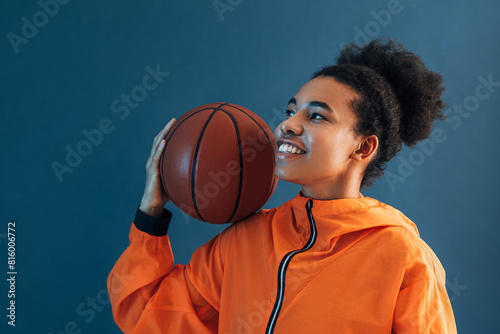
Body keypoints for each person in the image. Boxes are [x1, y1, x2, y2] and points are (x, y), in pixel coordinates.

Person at [107, 38, 457, 333]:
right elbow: (147, 316)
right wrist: (150, 214)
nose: (288, 124)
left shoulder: (402, 256)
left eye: (316, 115)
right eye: (292, 110)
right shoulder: (243, 241)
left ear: (363, 147)